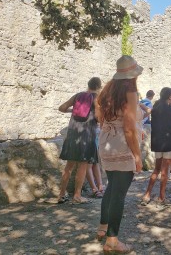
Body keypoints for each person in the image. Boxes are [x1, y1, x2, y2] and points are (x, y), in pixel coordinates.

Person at [95, 55, 143, 253]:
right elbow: (129, 128)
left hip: (106, 143)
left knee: (111, 187)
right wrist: (138, 156)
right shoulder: (131, 93)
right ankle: (112, 241)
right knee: (119, 195)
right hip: (122, 146)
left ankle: (102, 228)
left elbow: (100, 118)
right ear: (132, 76)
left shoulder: (106, 92)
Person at [57, 77, 102, 205]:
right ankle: (77, 195)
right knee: (82, 166)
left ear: (88, 85)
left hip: (72, 134)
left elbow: (62, 108)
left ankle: (61, 195)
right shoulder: (96, 98)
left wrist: (73, 110)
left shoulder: (78, 96)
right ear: (99, 86)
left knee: (68, 167)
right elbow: (98, 118)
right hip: (87, 136)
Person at [141, 87, 171, 208]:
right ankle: (161, 197)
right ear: (170, 97)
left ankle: (147, 195)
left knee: (156, 169)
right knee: (165, 171)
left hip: (158, 142)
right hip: (169, 142)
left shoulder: (156, 108)